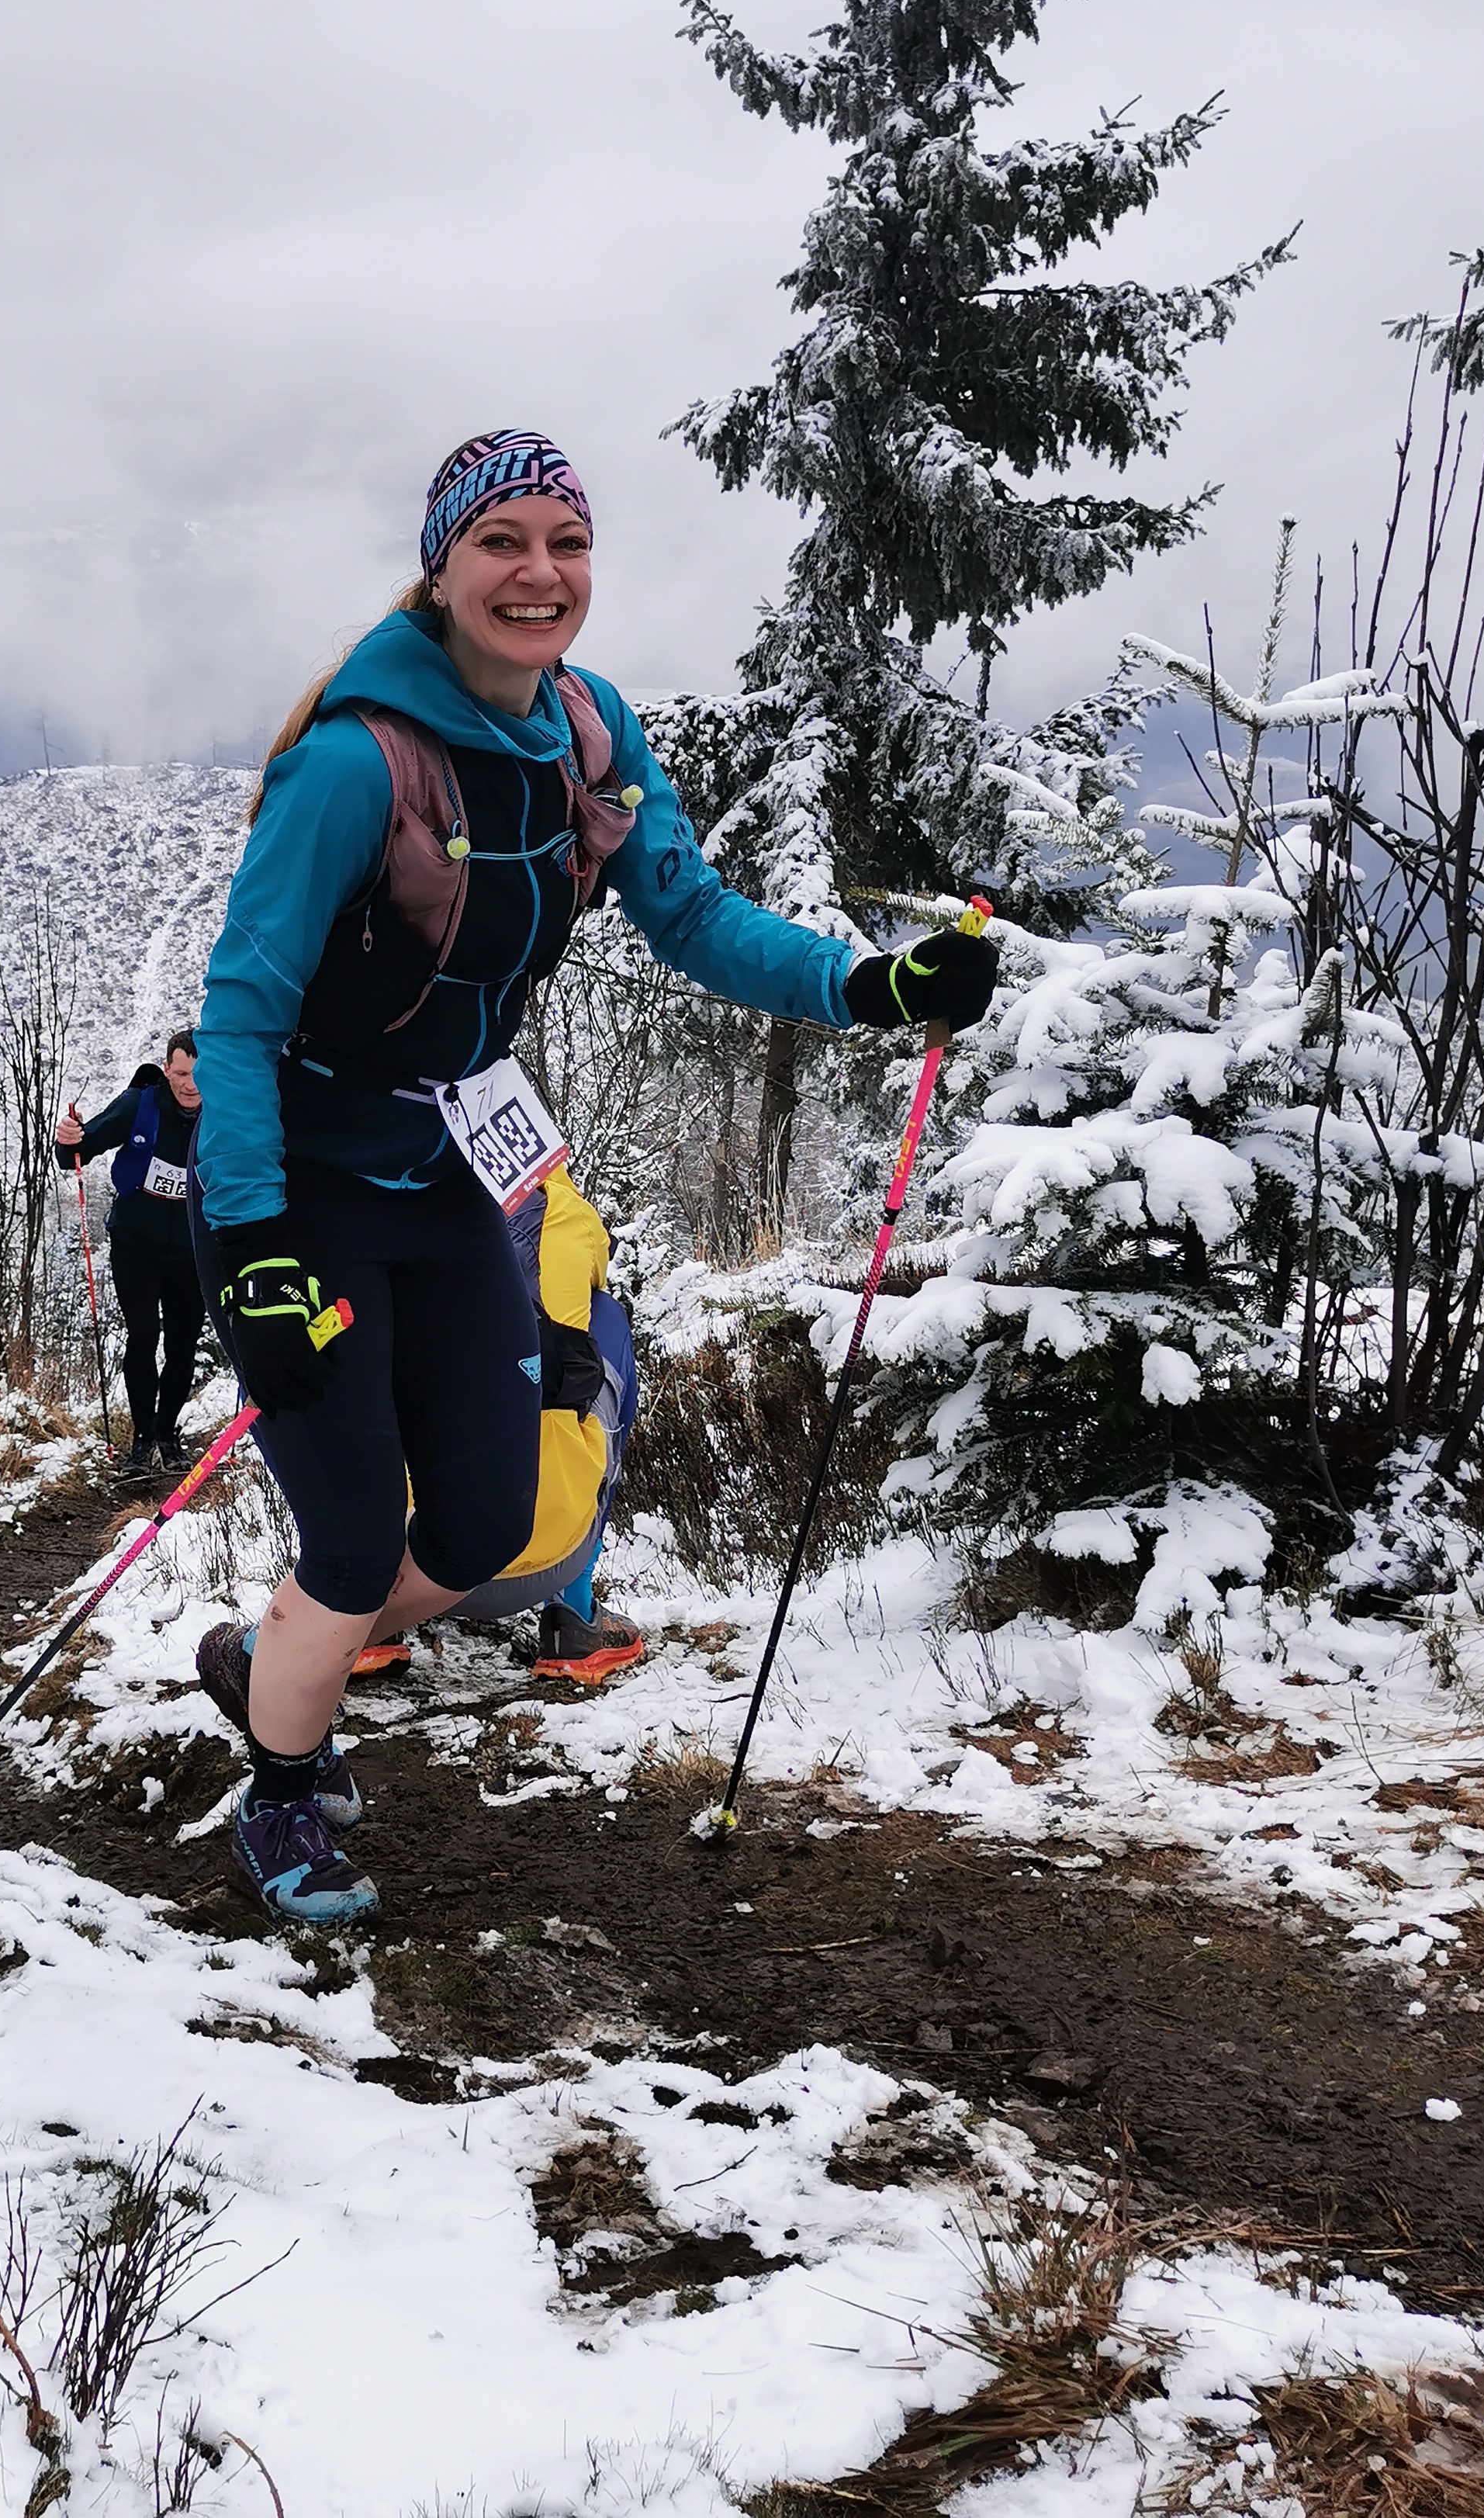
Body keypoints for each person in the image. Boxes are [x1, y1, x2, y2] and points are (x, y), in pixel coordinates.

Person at [187, 430, 997, 1924]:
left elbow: (688, 917)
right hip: (297, 1191)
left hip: (441, 1168)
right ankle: (285, 1791)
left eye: (566, 542)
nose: (539, 572)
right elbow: (238, 1013)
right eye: (502, 541)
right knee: (360, 1536)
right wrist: (250, 1240)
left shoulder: (587, 734)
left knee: (494, 1523)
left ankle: (279, 1649)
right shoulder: (355, 762)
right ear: (440, 563)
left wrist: (873, 986)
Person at [349, 1161, 644, 1683]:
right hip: (546, 1557)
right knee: (607, 1324)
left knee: (359, 1359)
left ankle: (361, 1613)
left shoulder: (389, 1206)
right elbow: (593, 1258)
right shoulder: (562, 1209)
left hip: (411, 1566)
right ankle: (573, 1618)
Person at [54, 1030, 204, 1475]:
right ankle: (141, 1440)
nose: (190, 1084)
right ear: (166, 1071)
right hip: (135, 1244)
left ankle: (167, 1433)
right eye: (180, 1073)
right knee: (143, 1337)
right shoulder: (140, 1104)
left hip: (193, 1251)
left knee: (182, 1346)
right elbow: (77, 1153)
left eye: (198, 1074)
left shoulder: (222, 1111)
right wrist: (69, 1139)